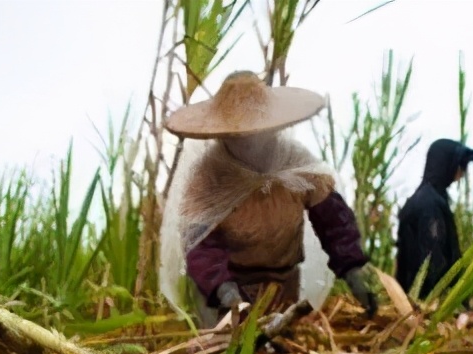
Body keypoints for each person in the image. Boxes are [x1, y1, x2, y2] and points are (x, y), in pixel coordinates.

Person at [158, 71, 378, 328]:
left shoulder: (295, 162)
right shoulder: (208, 177)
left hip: (284, 285)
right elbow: (200, 243)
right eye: (239, 135)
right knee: (234, 349)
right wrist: (223, 288)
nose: (248, 142)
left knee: (283, 344)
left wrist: (353, 267)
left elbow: (333, 221)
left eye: (254, 132)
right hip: (231, 292)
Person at [394, 138, 473, 300]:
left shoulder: (426, 199)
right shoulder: (430, 205)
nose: (462, 173)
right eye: (460, 166)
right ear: (445, 164)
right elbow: (433, 260)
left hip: (412, 300)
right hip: (426, 304)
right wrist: (447, 298)